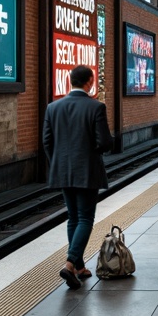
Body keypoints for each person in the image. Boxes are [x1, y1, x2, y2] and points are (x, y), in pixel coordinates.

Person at [42, 64, 112, 289]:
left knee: (73, 217)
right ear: (90, 82)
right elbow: (104, 143)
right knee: (85, 218)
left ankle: (79, 267)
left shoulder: (53, 107)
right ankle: (70, 264)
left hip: (63, 170)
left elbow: (47, 141)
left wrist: (60, 162)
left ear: (71, 81)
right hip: (87, 171)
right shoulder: (96, 107)